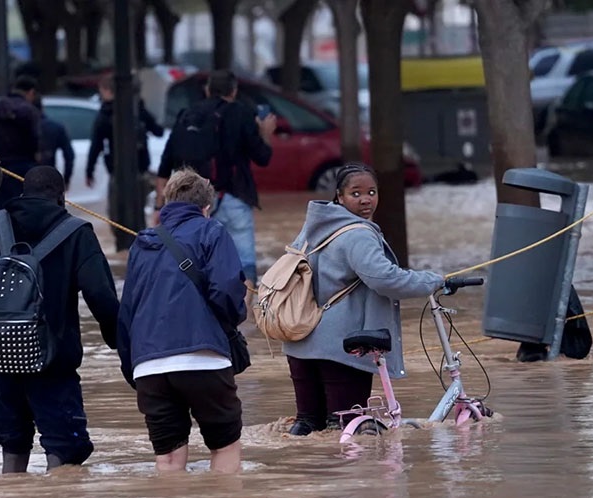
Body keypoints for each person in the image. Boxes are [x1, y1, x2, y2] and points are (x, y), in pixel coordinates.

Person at [0, 156, 120, 473]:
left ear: (23, 192)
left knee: (12, 446)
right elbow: (101, 296)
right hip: (52, 362)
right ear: (62, 197)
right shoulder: (76, 232)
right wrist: (120, 343)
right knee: (64, 453)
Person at [282, 162, 445, 436]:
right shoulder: (359, 234)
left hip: (299, 343)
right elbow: (386, 279)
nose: (366, 199)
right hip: (342, 348)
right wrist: (434, 280)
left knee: (308, 429)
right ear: (340, 197)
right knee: (346, 430)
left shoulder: (311, 229)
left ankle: (303, 478)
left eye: (371, 192)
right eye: (356, 193)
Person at [117, 168, 248, 473]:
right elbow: (226, 292)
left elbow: (127, 312)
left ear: (165, 203)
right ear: (206, 208)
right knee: (224, 446)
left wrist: (133, 367)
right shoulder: (212, 231)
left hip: (149, 366)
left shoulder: (142, 243)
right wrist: (233, 322)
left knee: (168, 458)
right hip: (204, 360)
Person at [156, 70, 276, 291]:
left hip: (190, 203)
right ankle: (244, 318)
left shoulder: (187, 114)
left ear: (207, 90)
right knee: (244, 262)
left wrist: (159, 207)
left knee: (196, 260)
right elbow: (263, 157)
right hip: (232, 196)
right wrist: (265, 134)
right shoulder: (241, 113)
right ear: (234, 91)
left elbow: (165, 165)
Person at [86, 74, 165, 252]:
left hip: (120, 173)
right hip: (140, 171)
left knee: (117, 214)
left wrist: (89, 170)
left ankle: (126, 247)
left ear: (107, 91)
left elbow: (96, 145)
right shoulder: (137, 110)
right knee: (138, 213)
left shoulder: (106, 114)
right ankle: (141, 247)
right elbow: (159, 131)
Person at [33, 95, 75, 190]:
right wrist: (66, 179)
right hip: (49, 177)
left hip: (24, 178)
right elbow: (69, 156)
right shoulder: (56, 127)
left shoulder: (21, 128)